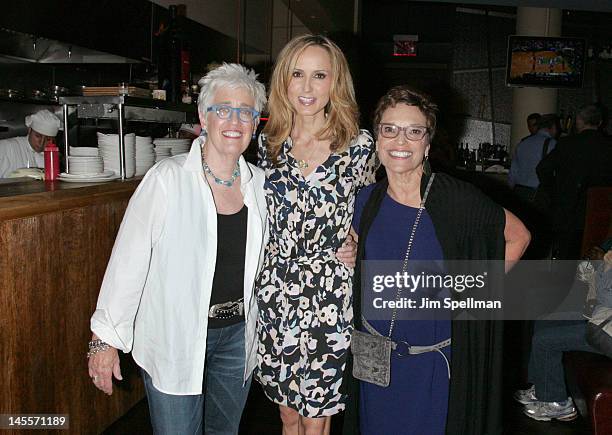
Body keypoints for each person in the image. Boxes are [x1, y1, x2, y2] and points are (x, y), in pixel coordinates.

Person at [87, 63, 268, 435]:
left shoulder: (261, 185)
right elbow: (128, 260)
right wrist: (104, 339)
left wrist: (346, 244)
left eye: (245, 111)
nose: (234, 120)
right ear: (203, 116)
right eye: (223, 109)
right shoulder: (167, 178)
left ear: (255, 122)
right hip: (176, 335)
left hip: (237, 335)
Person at [343, 85, 531, 435]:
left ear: (427, 143)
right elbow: (365, 250)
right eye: (390, 129)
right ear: (377, 138)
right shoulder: (366, 199)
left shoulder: (453, 198)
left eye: (414, 131)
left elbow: (518, 236)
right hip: (373, 357)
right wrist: (351, 252)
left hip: (430, 363)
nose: (400, 141)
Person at [256, 34, 377, 435]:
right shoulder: (268, 144)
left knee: (316, 415)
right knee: (287, 412)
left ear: (335, 82)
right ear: (283, 82)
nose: (307, 88)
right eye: (297, 74)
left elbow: (379, 209)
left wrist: (360, 240)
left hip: (330, 292)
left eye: (319, 75)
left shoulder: (359, 146)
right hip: (276, 288)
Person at [514, 239, 612, 422]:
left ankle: (557, 403)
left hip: (607, 330)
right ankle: (542, 387)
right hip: (600, 314)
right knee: (544, 321)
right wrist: (590, 265)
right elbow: (590, 284)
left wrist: (604, 261)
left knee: (545, 340)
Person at [537, 104, 612, 259]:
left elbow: (542, 169)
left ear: (579, 121)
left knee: (567, 259)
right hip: (601, 212)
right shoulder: (608, 146)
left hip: (568, 211)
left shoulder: (567, 144)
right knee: (593, 259)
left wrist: (554, 191)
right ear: (600, 123)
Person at [509, 114, 558, 203]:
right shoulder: (553, 144)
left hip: (519, 191)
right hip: (538, 194)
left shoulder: (523, 143)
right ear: (553, 127)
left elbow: (513, 172)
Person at [0, 109, 61, 177]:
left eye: (48, 139)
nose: (41, 143)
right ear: (29, 130)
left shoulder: (51, 156)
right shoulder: (6, 147)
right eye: (38, 136)